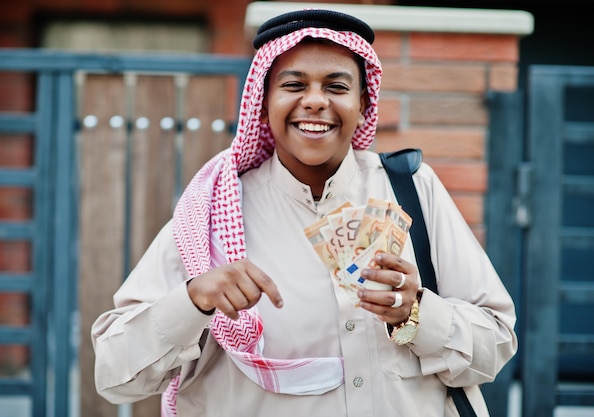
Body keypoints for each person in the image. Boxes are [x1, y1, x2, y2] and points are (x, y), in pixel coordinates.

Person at [91, 8, 517, 417]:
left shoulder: (412, 188)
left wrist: (418, 314)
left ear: (365, 104)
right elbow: (115, 374)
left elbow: (496, 344)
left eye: (336, 86)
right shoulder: (214, 211)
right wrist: (193, 301)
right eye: (293, 85)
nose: (315, 101)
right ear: (262, 101)